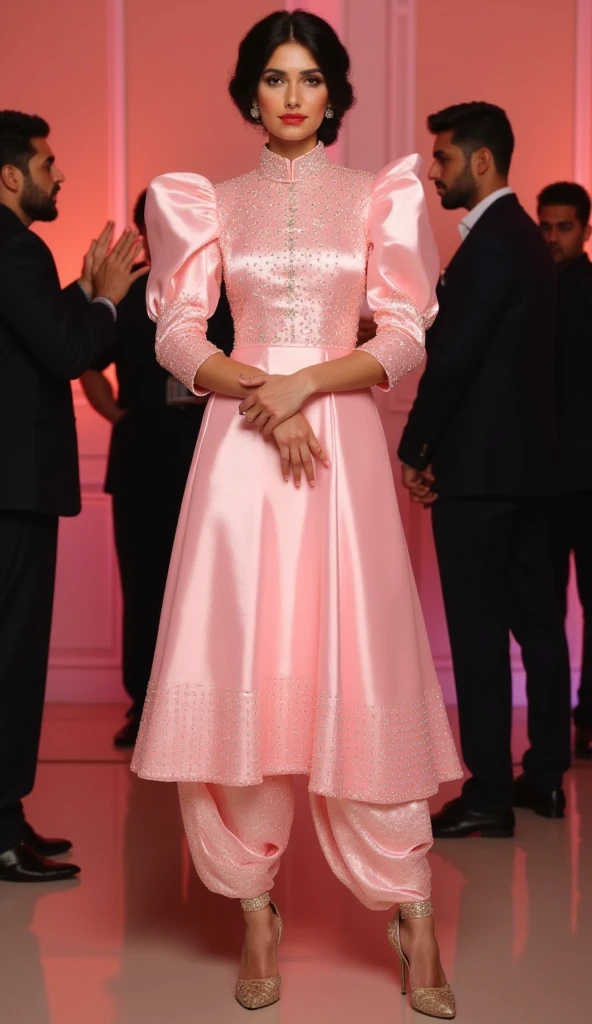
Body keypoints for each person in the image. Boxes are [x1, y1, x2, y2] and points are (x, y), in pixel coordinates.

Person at [131, 10, 461, 1018]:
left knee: (358, 664)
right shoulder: (204, 202)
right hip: (237, 462)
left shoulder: (379, 195)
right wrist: (253, 392)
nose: (290, 93)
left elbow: (404, 334)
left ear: (332, 93)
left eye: (308, 76)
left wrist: (303, 385)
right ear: (249, 92)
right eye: (273, 76)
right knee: (243, 673)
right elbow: (175, 336)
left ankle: (409, 909)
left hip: (342, 446)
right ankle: (256, 908)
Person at [398, 102, 572, 838]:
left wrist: (416, 447)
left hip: (481, 474)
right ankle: (541, 777)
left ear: (479, 161)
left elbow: (455, 359)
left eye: (440, 159)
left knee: (476, 633)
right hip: (535, 472)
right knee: (537, 626)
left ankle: (488, 798)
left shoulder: (492, 243)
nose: (433, 172)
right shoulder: (526, 241)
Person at [0, 110, 145, 883]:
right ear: (10, 176)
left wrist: (84, 287)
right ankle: (1, 828)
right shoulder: (16, 246)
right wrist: (106, 301)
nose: (61, 175)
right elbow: (62, 350)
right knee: (11, 661)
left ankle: (8, 819)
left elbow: (29, 332)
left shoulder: (16, 254)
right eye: (49, 164)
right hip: (13, 491)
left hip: (13, 489)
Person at [80, 191, 234, 749]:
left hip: (211, 463)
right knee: (144, 588)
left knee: (210, 590)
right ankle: (143, 707)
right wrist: (118, 415)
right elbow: (89, 368)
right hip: (141, 460)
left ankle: (209, 707)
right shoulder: (125, 296)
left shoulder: (223, 293)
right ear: (144, 229)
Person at [538, 182, 592, 760]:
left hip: (585, 480)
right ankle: (555, 739)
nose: (552, 238)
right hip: (545, 482)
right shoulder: (532, 290)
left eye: (564, 228)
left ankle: (587, 721)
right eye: (545, 227)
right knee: (544, 610)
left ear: (584, 229)